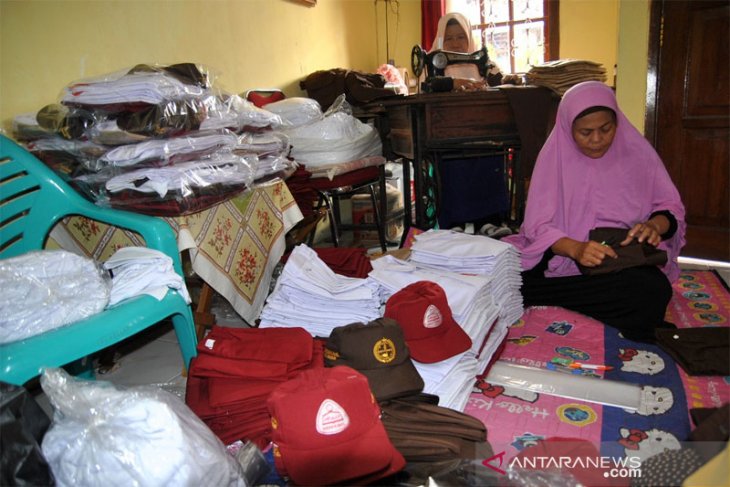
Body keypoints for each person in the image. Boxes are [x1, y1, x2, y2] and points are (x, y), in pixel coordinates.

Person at [504, 81, 686, 343]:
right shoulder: (554, 157)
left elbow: (670, 208)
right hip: (564, 253)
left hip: (618, 257)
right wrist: (576, 248)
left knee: (652, 290)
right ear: (568, 129)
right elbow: (538, 226)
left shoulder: (637, 154)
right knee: (509, 273)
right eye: (585, 132)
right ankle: (555, 295)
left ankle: (547, 297)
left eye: (606, 129)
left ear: (617, 123)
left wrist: (654, 226)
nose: (597, 139)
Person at [422, 12, 505, 92]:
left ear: (469, 38)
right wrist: (452, 83)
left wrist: (508, 79)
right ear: (440, 40)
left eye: (461, 37)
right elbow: (423, 91)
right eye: (448, 39)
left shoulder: (482, 62)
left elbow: (501, 81)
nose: (455, 44)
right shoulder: (429, 66)